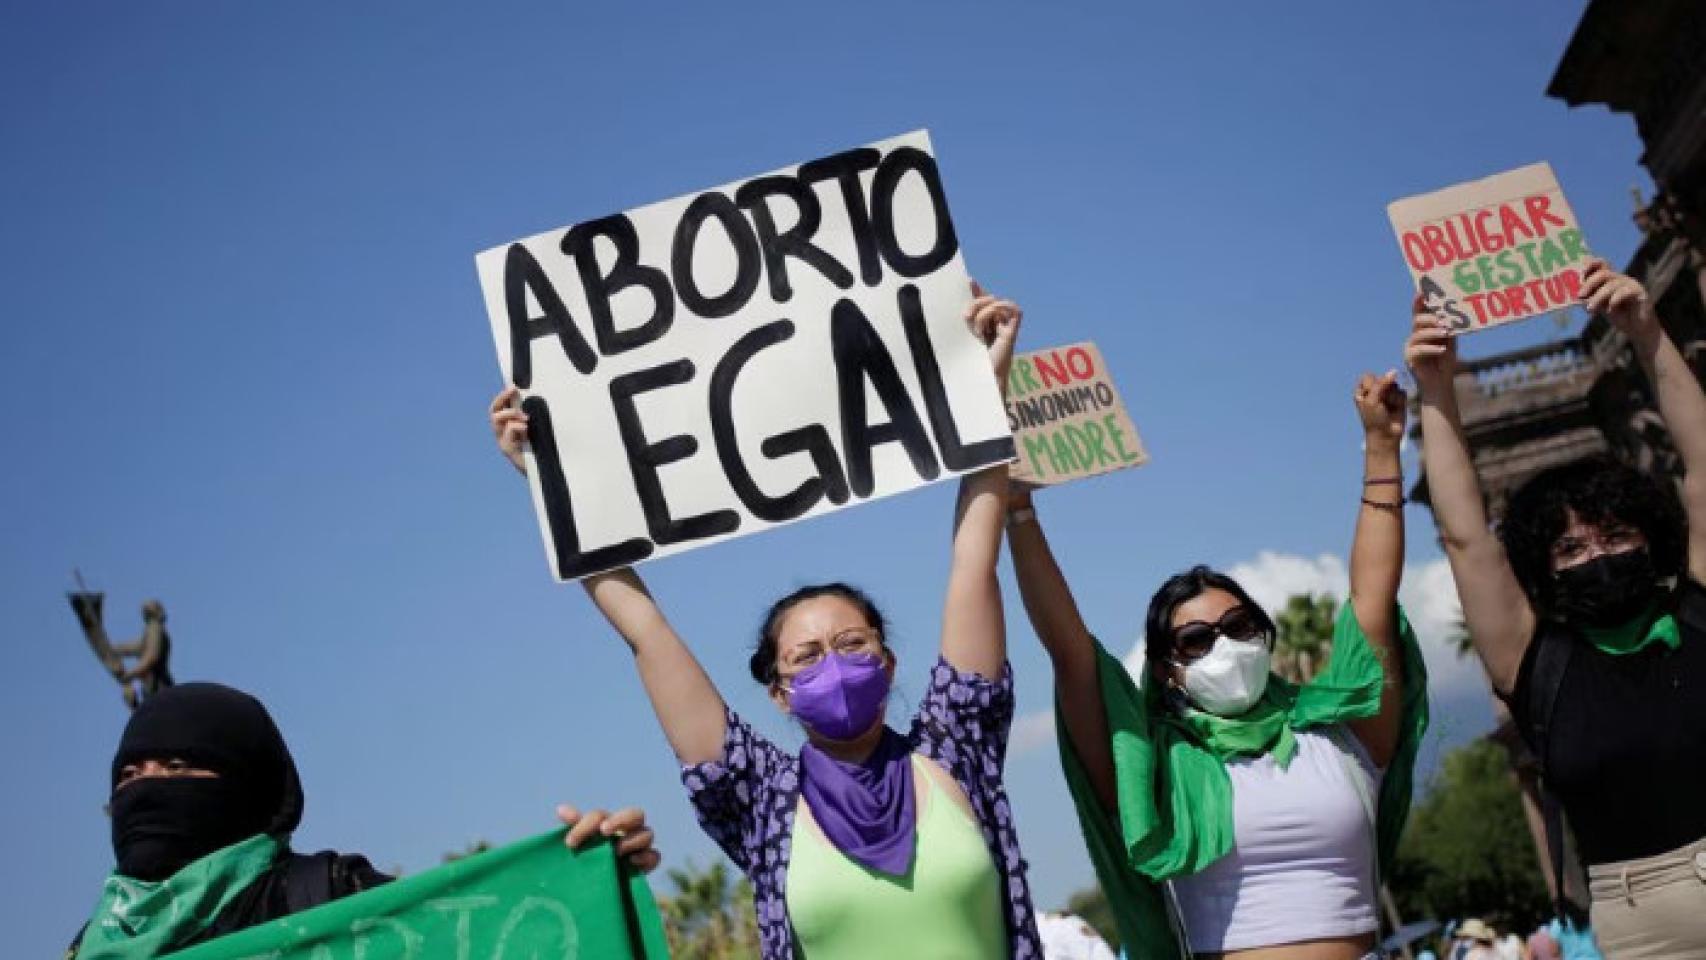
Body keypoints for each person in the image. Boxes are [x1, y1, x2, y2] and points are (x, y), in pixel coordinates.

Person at [489, 283, 1042, 959]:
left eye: (851, 643)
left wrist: (985, 394)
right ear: (779, 692)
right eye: (806, 656)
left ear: (888, 660)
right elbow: (647, 633)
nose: (832, 663)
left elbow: (972, 566)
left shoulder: (954, 749)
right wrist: (551, 486)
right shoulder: (761, 800)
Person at [1006, 371, 1429, 959]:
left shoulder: (1344, 731)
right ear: (1166, 671)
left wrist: (1381, 447)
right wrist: (1018, 509)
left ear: (1263, 634)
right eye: (1196, 640)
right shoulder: (1153, 771)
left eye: (1238, 626)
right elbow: (1071, 655)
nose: (1224, 646)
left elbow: (1373, 599)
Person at [1407, 259, 1706, 957]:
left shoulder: (1697, 611)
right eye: (1569, 547)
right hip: (1647, 924)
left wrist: (1647, 333)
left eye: (1615, 534)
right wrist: (1436, 388)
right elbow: (1465, 536)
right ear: (1541, 568)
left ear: (1652, 536)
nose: (1596, 554)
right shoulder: (1539, 664)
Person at [68, 682, 659, 958]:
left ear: (248, 782)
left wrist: (585, 876)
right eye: (128, 774)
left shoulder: (327, 896)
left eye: (176, 766)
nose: (144, 788)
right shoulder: (91, 946)